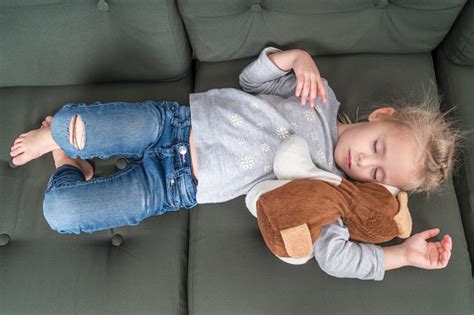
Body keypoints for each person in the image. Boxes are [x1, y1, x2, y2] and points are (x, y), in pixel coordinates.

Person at [9, 47, 457, 280]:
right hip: (173, 123)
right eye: (377, 146)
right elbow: (250, 80)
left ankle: (70, 166)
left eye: (377, 175)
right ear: (380, 117)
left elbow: (336, 258)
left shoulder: (330, 196)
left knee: (60, 212)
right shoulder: (319, 97)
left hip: (174, 185)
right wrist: (296, 59)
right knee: (70, 121)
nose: (363, 160)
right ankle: (62, 137)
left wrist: (401, 256)